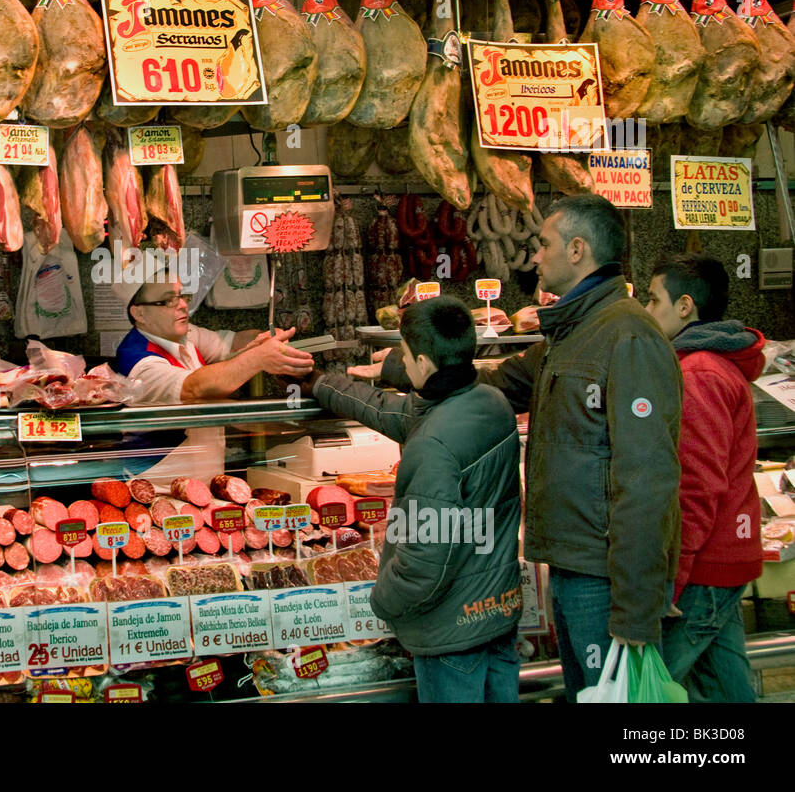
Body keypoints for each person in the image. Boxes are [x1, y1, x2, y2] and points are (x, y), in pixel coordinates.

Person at [355, 193, 683, 701]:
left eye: (544, 244)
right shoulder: (574, 332)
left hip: (605, 577)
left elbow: (647, 477)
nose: (533, 255)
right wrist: (404, 365)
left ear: (577, 251)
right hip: (578, 567)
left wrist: (637, 606)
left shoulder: (626, 336)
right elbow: (496, 378)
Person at [310, 297, 523, 702]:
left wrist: (379, 601)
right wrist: (323, 384)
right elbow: (398, 411)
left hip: (451, 634)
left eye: (404, 356)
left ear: (423, 363)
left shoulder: (432, 446)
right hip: (496, 613)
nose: (402, 366)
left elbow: (423, 562)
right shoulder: (489, 402)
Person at [644, 253, 764, 702]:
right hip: (725, 557)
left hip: (703, 567)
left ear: (685, 306)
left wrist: (672, 577)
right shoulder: (710, 364)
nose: (647, 310)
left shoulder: (698, 373)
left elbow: (696, 485)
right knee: (727, 687)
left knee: (652, 687)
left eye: (654, 300)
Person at [114, 277, 313, 405]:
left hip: (207, 466)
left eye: (182, 296)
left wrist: (262, 339)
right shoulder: (137, 362)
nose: (183, 305)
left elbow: (233, 342)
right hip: (162, 468)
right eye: (168, 301)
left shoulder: (184, 333)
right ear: (139, 313)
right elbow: (194, 388)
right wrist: (257, 358)